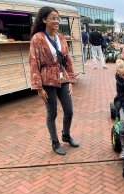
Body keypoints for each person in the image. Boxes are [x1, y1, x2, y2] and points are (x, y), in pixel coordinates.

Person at [29, 6, 79, 155]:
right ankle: (55, 142)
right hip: (47, 80)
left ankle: (66, 134)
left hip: (63, 78)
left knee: (69, 111)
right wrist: (39, 88)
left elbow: (67, 60)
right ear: (44, 20)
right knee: (52, 113)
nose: (56, 21)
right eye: (53, 18)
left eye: (58, 18)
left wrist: (70, 80)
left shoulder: (61, 37)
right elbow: (33, 63)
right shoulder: (37, 38)